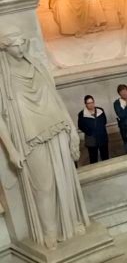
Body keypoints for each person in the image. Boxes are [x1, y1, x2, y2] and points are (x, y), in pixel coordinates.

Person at [0, 29, 88, 249]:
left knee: (65, 179)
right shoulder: (3, 80)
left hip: (56, 128)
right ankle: (50, 231)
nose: (21, 48)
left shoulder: (37, 66)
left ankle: (72, 221)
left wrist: (71, 128)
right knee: (44, 185)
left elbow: (56, 98)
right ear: (4, 48)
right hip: (30, 138)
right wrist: (11, 150)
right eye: (15, 45)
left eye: (23, 43)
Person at [77, 94, 110, 163]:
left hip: (102, 137)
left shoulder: (100, 110)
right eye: (89, 103)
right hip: (91, 140)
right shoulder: (81, 114)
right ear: (85, 104)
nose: (91, 104)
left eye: (92, 102)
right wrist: (89, 132)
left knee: (105, 157)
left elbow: (104, 121)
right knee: (93, 159)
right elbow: (80, 126)